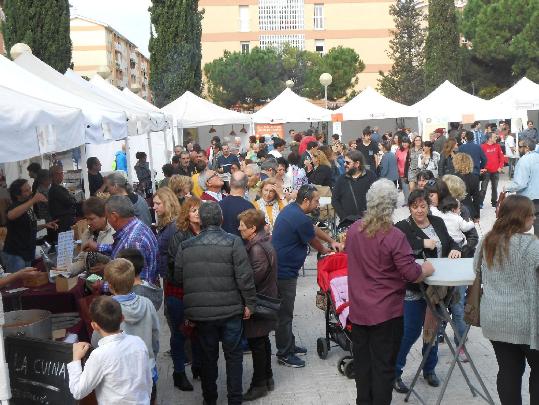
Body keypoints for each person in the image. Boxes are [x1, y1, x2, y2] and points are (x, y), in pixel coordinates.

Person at [347, 179, 434, 405]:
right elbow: (411, 273)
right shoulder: (394, 236)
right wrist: (425, 268)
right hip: (385, 313)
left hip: (359, 310)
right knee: (383, 367)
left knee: (363, 365)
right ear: (393, 206)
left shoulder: (354, 230)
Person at [173, 201, 256, 405]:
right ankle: (234, 400)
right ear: (221, 219)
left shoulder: (185, 246)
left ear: (201, 220)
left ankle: (209, 399)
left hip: (201, 314)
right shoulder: (234, 242)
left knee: (208, 357)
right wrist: (250, 303)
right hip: (230, 310)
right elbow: (244, 277)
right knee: (234, 356)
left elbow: (178, 277)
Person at [393, 189, 461, 394]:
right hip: (415, 287)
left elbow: (449, 242)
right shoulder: (402, 227)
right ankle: (394, 372)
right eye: (415, 207)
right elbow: (400, 249)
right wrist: (421, 243)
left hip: (438, 287)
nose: (420, 210)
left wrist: (455, 249)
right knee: (410, 332)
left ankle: (429, 369)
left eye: (423, 206)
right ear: (409, 207)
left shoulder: (437, 222)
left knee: (432, 332)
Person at [473, 195, 539, 405]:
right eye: (531, 215)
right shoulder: (532, 247)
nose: (534, 219)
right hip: (528, 322)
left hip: (495, 318)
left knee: (508, 371)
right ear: (521, 218)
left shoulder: (487, 240)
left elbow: (476, 269)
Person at [272, 185, 342, 368]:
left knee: (286, 313)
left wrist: (332, 241)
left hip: (285, 269)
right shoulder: (297, 217)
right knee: (284, 314)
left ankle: (289, 344)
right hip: (284, 272)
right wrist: (326, 249)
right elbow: (313, 240)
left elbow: (311, 228)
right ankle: (284, 353)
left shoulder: (294, 211)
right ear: (305, 200)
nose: (318, 204)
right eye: (316, 201)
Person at [68, 296, 152, 403]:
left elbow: (78, 391)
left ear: (94, 326)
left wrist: (76, 359)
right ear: (122, 318)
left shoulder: (99, 355)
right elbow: (147, 381)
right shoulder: (138, 343)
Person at [99, 259, 160, 403]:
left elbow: (99, 341)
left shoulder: (107, 310)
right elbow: (155, 336)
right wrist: (152, 357)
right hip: (146, 370)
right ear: (133, 280)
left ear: (110, 286)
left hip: (120, 378)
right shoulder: (147, 304)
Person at [238, 209, 279, 401]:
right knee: (262, 341)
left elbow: (253, 279)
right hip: (264, 299)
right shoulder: (261, 243)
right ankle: (268, 377)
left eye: (242, 226)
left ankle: (259, 383)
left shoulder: (256, 248)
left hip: (259, 301)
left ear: (253, 228)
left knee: (257, 344)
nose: (239, 228)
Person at [82, 195, 158, 285]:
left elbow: (130, 284)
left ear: (114, 216)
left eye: (107, 217)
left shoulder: (134, 241)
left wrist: (102, 286)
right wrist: (98, 247)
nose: (107, 221)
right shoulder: (137, 226)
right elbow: (122, 248)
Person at [167, 197, 203, 385]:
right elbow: (174, 267)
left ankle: (198, 366)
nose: (196, 213)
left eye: (199, 210)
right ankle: (179, 372)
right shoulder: (179, 236)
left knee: (198, 331)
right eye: (192, 210)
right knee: (180, 333)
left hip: (200, 293)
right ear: (186, 214)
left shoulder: (207, 233)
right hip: (180, 292)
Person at [2, 179, 58, 272]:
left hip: (27, 252)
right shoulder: (15, 206)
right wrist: (33, 200)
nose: (31, 192)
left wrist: (45, 225)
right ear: (17, 194)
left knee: (26, 283)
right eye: (26, 190)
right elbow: (11, 215)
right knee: (17, 283)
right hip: (16, 253)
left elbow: (30, 227)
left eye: (30, 189)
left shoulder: (27, 207)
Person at [68, 197, 114, 275]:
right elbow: (82, 260)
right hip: (92, 281)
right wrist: (67, 271)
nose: (88, 223)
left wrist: (108, 267)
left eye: (91, 219)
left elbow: (123, 263)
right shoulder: (87, 233)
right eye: (87, 219)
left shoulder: (114, 234)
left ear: (104, 216)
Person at [332, 150, 377, 227]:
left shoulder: (371, 176)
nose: (344, 164)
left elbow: (378, 197)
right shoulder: (341, 179)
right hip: (348, 223)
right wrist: (344, 217)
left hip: (369, 222)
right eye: (344, 162)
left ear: (357, 164)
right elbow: (335, 200)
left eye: (348, 162)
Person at [504, 138, 539, 236]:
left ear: (527, 148)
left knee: (518, 225)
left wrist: (507, 188)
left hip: (528, 200)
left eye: (519, 147)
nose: (518, 149)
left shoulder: (524, 160)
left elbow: (521, 183)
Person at [153, 188, 180, 280]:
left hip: (173, 277)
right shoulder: (169, 223)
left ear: (168, 203)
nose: (154, 207)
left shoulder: (175, 226)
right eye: (154, 203)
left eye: (158, 203)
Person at [219, 171, 254, 236]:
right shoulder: (249, 207)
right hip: (242, 244)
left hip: (222, 244)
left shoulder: (218, 205)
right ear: (246, 184)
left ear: (229, 183)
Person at [48, 165, 77, 235]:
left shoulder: (58, 188)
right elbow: (71, 201)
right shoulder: (56, 189)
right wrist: (72, 198)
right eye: (61, 173)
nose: (62, 175)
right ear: (56, 175)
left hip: (64, 221)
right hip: (63, 223)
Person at [453, 153, 481, 221]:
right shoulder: (474, 178)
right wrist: (476, 215)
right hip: (468, 210)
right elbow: (476, 198)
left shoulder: (452, 177)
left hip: (453, 209)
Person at [480, 132, 504, 208]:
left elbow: (502, 157)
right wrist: (481, 168)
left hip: (496, 171)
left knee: (494, 187)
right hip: (486, 171)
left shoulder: (497, 146)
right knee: (483, 188)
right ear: (490, 138)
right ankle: (480, 202)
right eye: (494, 137)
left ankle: (494, 202)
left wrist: (500, 167)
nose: (496, 138)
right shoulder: (482, 147)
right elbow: (479, 158)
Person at [395, 134, 411, 202]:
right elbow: (395, 161)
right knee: (405, 188)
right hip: (402, 173)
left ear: (409, 143)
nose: (405, 144)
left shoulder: (410, 150)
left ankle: (411, 200)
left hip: (410, 172)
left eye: (406, 142)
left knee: (411, 188)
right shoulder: (398, 151)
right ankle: (406, 201)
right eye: (403, 142)